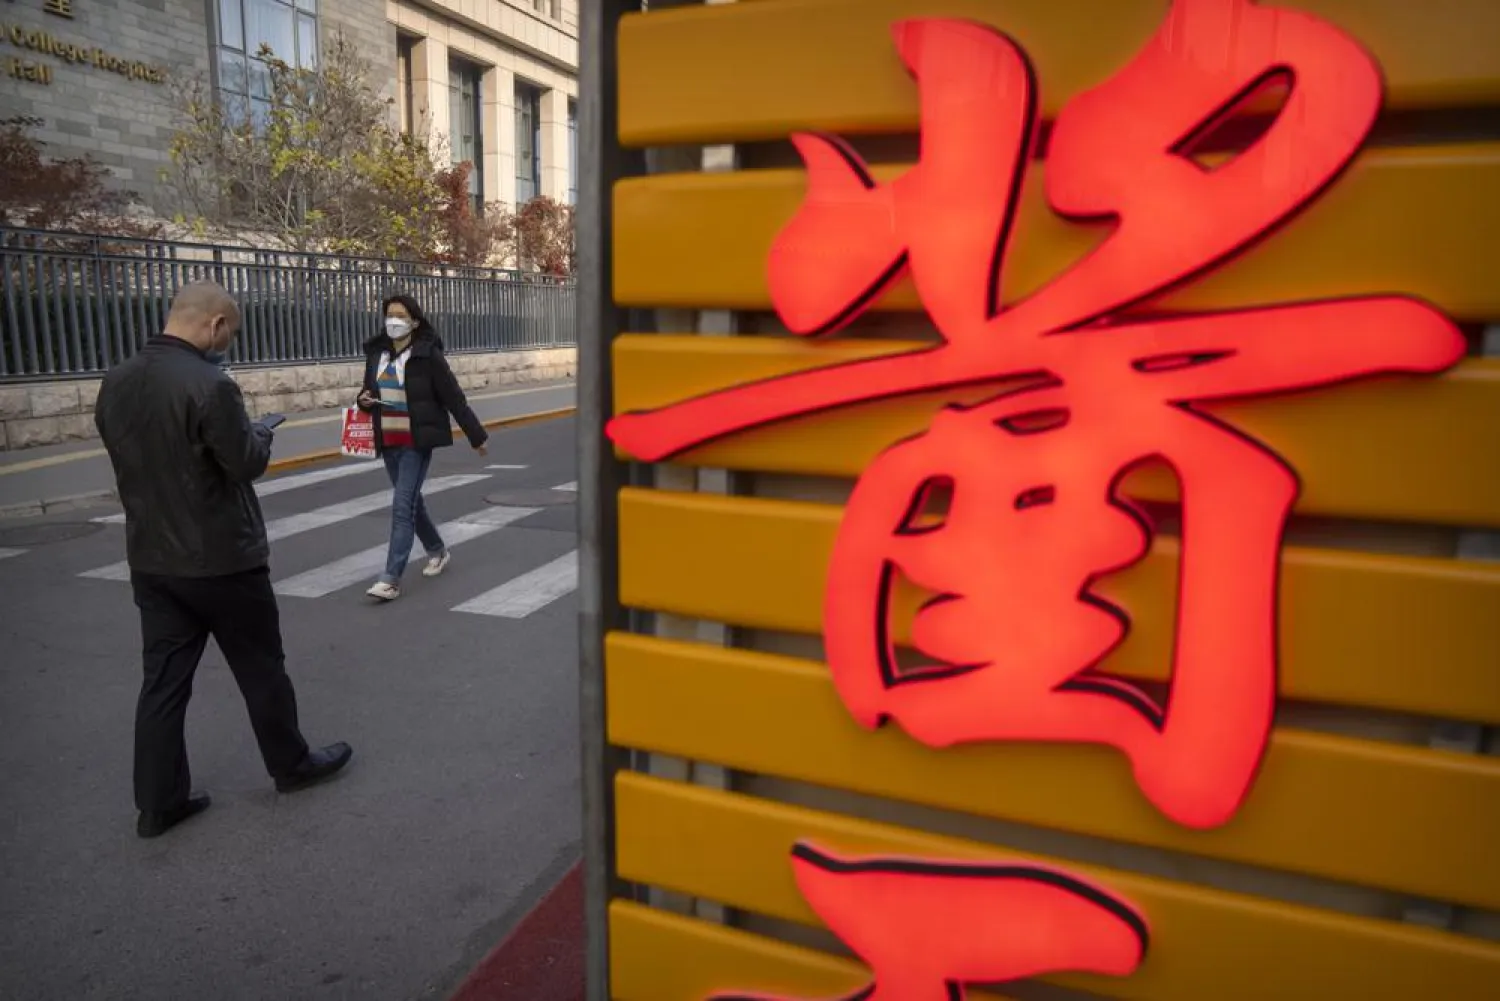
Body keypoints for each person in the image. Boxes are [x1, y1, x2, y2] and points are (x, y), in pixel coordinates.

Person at [94, 280, 353, 839]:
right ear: (214, 326)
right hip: (222, 559)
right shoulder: (212, 384)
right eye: (229, 332)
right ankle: (291, 765)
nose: (227, 341)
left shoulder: (115, 381)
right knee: (262, 669)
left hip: (152, 558)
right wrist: (259, 435)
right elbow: (243, 464)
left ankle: (158, 803)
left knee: (162, 683)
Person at [356, 293, 488, 602]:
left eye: (401, 316)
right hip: (388, 438)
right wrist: (362, 400)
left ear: (414, 322)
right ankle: (437, 550)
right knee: (412, 502)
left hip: (416, 440)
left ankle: (390, 579)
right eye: (390, 315)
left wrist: (476, 435)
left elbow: (453, 397)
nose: (394, 321)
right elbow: (367, 391)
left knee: (402, 506)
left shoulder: (428, 355)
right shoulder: (377, 354)